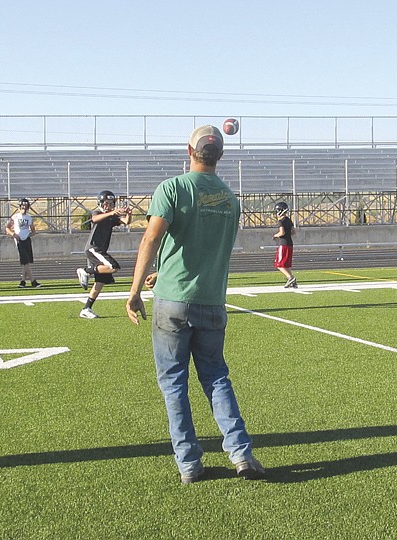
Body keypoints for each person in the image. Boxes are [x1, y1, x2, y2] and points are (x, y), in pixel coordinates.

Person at [126, 125, 264, 484]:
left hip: (173, 302)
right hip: (212, 300)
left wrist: (136, 289)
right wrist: (165, 271)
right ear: (220, 154)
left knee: (174, 383)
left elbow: (151, 238)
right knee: (217, 377)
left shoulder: (173, 187)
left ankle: (189, 463)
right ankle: (241, 454)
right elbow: (211, 248)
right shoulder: (231, 199)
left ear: (188, 149)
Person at [75, 190, 131, 319]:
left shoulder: (111, 217)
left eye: (111, 203)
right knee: (113, 267)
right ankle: (86, 271)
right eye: (106, 203)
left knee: (100, 282)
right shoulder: (98, 213)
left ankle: (86, 308)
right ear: (100, 203)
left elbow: (126, 222)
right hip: (94, 249)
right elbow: (94, 219)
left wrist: (129, 214)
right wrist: (112, 212)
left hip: (101, 250)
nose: (109, 205)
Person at [6, 198, 42, 288]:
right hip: (19, 241)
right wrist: (13, 234)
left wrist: (28, 235)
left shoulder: (29, 218)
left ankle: (22, 281)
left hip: (26, 240)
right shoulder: (14, 217)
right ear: (19, 207)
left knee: (26, 262)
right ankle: (33, 281)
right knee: (25, 261)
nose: (24, 208)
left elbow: (34, 231)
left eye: (26, 207)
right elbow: (7, 228)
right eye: (22, 206)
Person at [272, 201, 297, 288]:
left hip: (283, 244)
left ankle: (290, 278)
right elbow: (293, 232)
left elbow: (281, 232)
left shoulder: (281, 221)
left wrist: (275, 235)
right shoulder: (288, 220)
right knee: (286, 264)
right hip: (290, 243)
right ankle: (293, 280)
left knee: (279, 265)